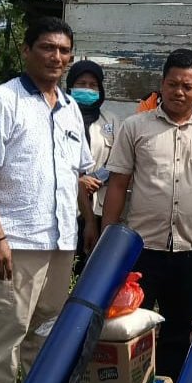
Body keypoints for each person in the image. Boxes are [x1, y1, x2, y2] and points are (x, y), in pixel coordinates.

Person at [0, 17, 94, 383]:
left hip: (59, 241)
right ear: (26, 51)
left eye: (63, 51)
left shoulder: (71, 108)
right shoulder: (1, 101)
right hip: (15, 240)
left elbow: (79, 172)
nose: (55, 57)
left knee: (45, 327)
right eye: (46, 48)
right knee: (8, 328)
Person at [101, 49, 192, 381]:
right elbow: (118, 184)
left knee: (182, 329)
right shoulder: (135, 127)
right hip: (143, 249)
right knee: (131, 325)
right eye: (173, 84)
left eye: (187, 86)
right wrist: (108, 237)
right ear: (162, 84)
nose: (179, 92)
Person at [66, 59, 120, 273]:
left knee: (92, 268)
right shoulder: (61, 116)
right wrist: (78, 179)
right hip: (67, 207)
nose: (87, 89)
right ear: (70, 85)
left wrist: (95, 178)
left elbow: (119, 157)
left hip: (99, 205)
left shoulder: (112, 120)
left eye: (92, 85)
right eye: (81, 84)